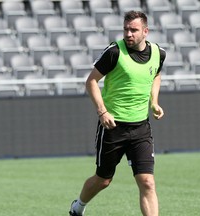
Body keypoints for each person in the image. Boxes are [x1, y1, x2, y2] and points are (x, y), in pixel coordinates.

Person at [69, 10, 166, 216]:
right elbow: (91, 81)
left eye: (134, 30)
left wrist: (154, 101)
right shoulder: (114, 52)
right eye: (126, 29)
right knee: (103, 180)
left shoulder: (159, 53)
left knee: (147, 182)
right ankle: (78, 207)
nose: (128, 34)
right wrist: (102, 111)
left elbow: (155, 74)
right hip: (113, 127)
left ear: (145, 31)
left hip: (141, 128)